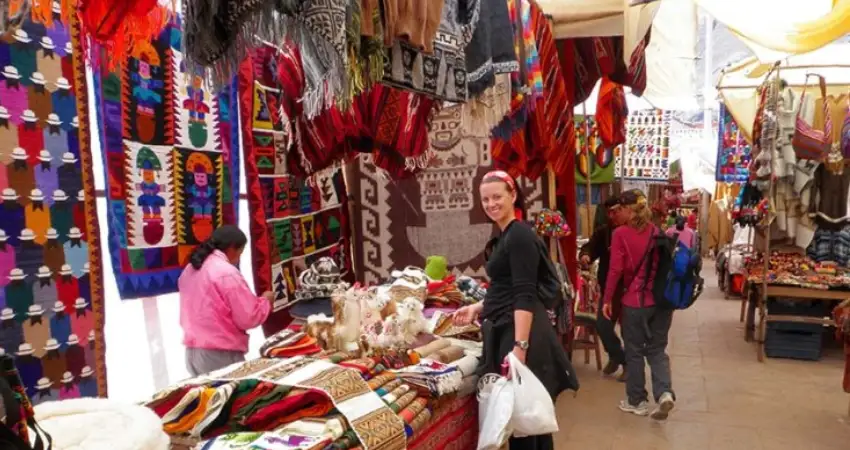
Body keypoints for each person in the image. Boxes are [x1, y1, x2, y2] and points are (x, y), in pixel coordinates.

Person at [452, 170, 577, 450]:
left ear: (513, 195)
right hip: (513, 329)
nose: (491, 203)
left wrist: (520, 347)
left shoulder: (518, 235)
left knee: (523, 424)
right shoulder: (509, 234)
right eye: (485, 199)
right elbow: (508, 287)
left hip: (519, 334)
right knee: (529, 423)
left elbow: (524, 293)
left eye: (497, 196)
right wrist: (479, 307)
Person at [602, 190, 675, 420]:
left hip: (635, 302)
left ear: (629, 210)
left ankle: (637, 401)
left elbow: (616, 270)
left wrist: (607, 299)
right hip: (661, 303)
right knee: (657, 349)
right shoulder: (657, 232)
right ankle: (664, 393)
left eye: (620, 209)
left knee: (634, 351)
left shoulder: (620, 234)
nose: (616, 213)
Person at [179, 225, 274, 377]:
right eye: (240, 253)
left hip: (193, 352)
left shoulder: (191, 268)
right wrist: (265, 301)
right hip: (219, 354)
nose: (238, 258)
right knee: (231, 399)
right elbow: (247, 317)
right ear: (231, 249)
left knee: (208, 398)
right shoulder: (226, 273)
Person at [579, 196, 627, 379]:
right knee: (602, 325)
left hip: (630, 289)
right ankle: (618, 356)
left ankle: (629, 366)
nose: (612, 215)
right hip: (609, 289)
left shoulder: (633, 232)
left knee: (629, 331)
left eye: (616, 211)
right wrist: (585, 255)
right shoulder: (604, 233)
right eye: (610, 212)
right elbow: (591, 248)